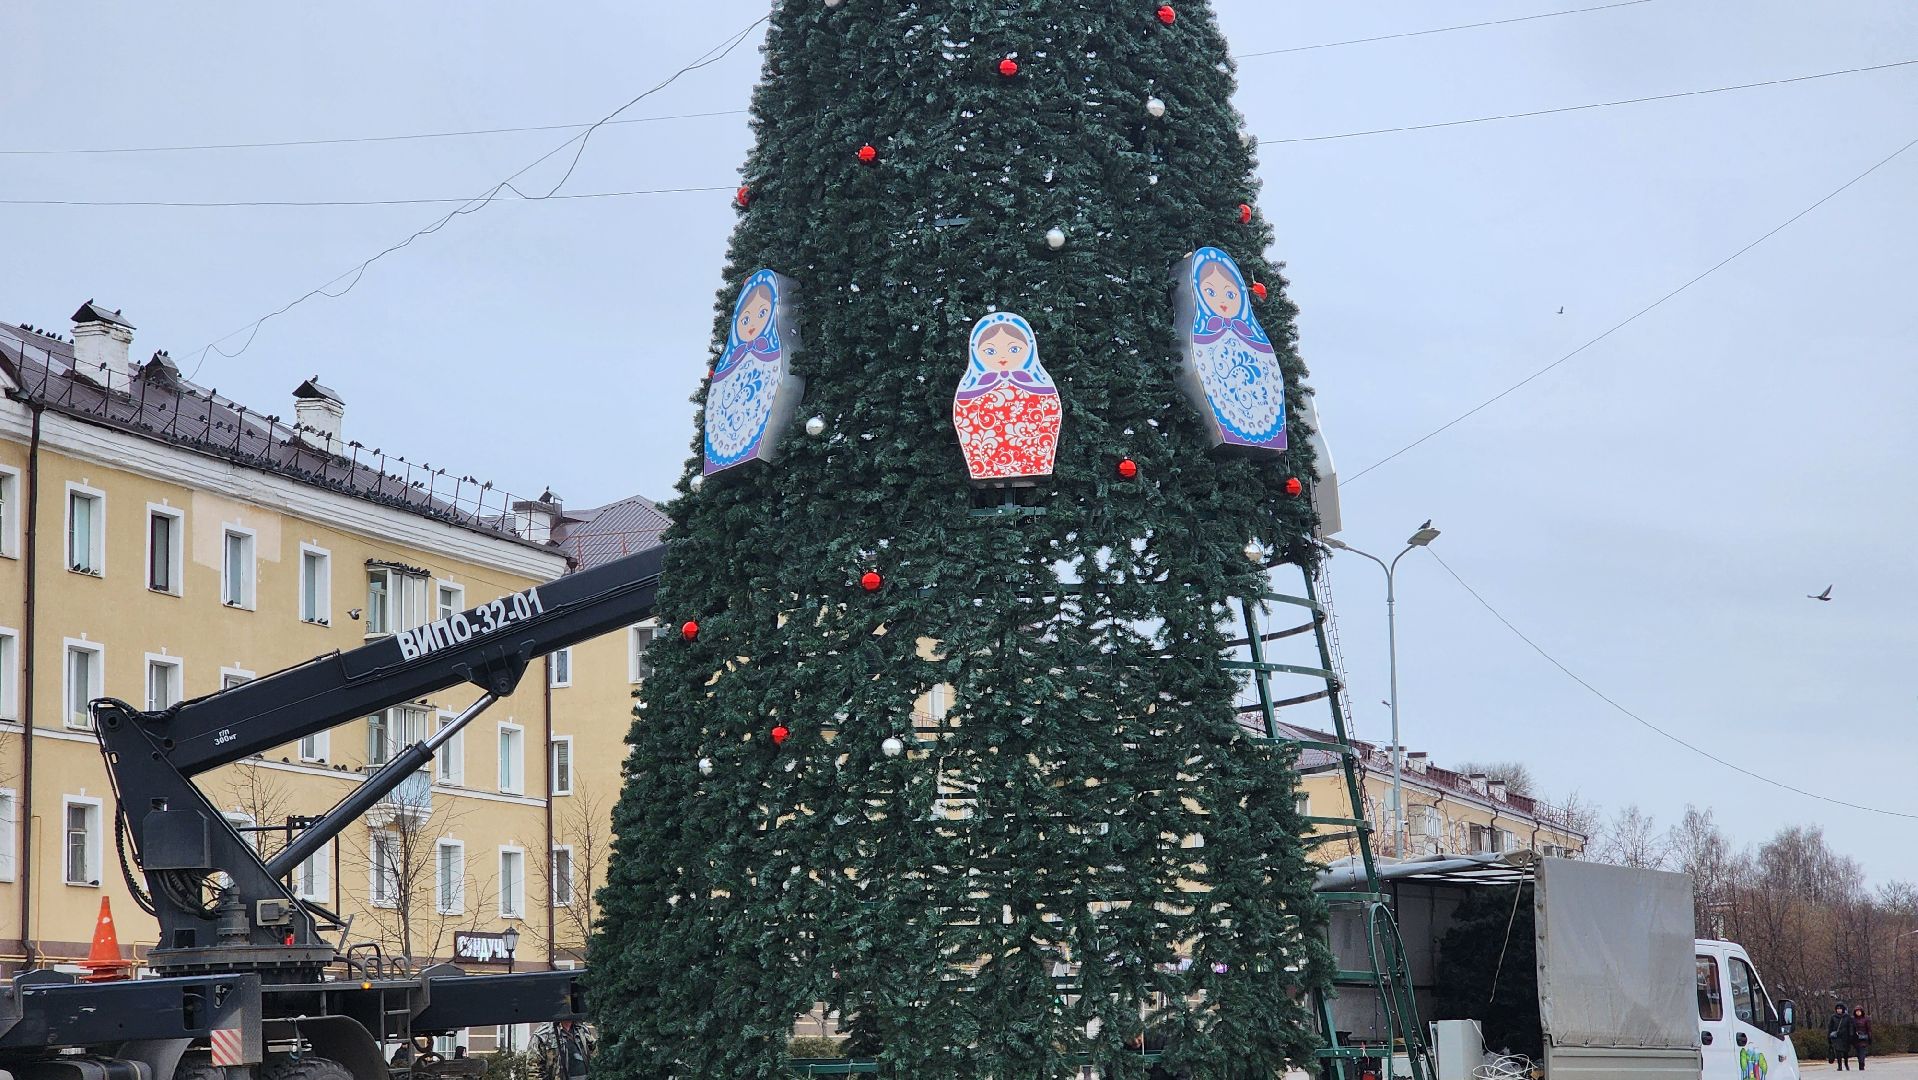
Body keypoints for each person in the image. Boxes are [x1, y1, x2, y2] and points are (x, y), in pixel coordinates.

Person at [1829, 1002, 1852, 1068]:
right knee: (1838, 1051)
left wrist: (1851, 1035)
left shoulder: (1847, 1017)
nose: (1839, 1010)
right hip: (1837, 1037)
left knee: (1845, 1052)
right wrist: (1829, 1036)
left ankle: (1846, 1063)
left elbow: (1850, 1026)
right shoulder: (1833, 1017)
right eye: (1837, 1009)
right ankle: (1839, 1065)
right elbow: (1830, 1027)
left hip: (1845, 1037)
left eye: (1840, 1009)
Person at [1852, 1005, 1872, 1070]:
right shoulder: (1853, 1019)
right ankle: (1860, 1062)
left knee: (1862, 1052)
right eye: (1856, 1011)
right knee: (1858, 1052)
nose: (1858, 1012)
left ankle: (1862, 1064)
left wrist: (1869, 1037)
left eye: (1859, 1011)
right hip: (1856, 1038)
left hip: (1863, 1038)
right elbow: (1851, 1029)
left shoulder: (1866, 1019)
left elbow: (1869, 1029)